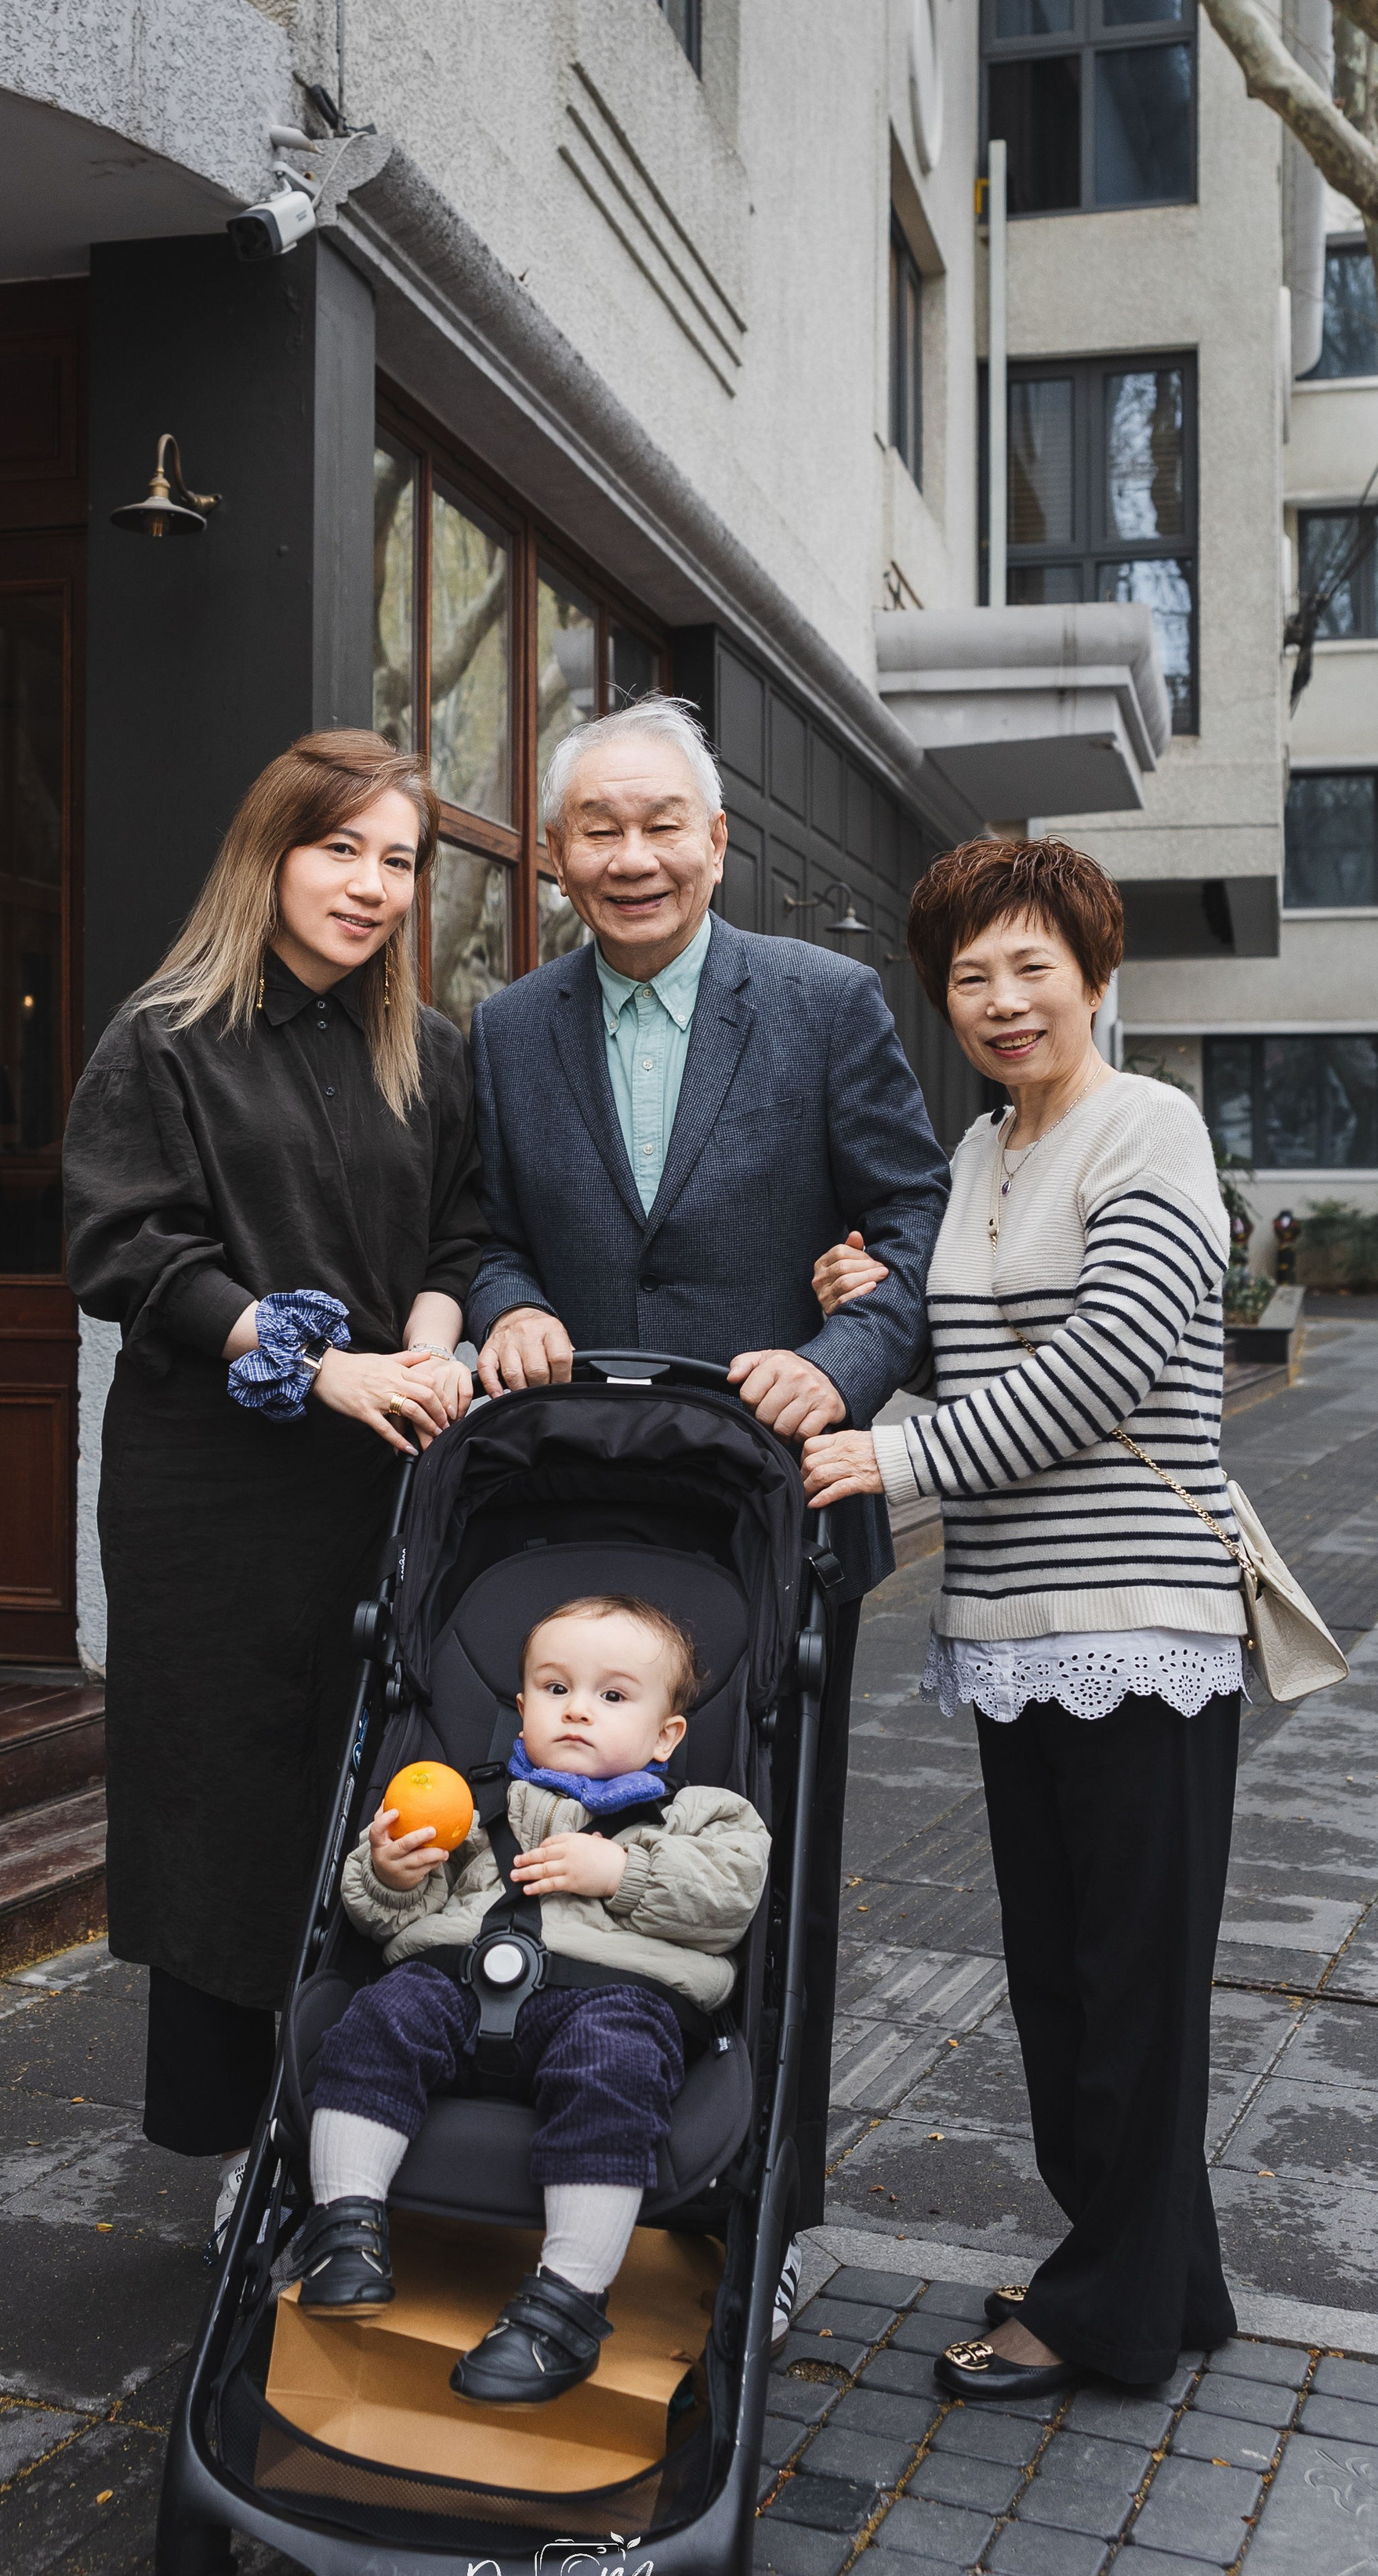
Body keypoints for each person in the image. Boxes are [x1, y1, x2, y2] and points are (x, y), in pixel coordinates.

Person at [462, 694, 950, 2339]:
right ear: (552, 857)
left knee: (767, 1873)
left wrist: (840, 1361)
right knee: (543, 1852)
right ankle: (561, 2171)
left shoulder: (821, 1006)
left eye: (659, 824)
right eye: (595, 829)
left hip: (766, 1523)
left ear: (716, 841)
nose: (630, 857)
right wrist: (508, 1301)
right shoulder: (506, 1028)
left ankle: (773, 2206)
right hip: (574, 1533)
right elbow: (476, 1228)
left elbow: (908, 1219)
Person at [803, 832, 1246, 2404]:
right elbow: (989, 1373)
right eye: (969, 975)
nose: (1000, 999)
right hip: (1013, 1628)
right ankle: (1161, 2275)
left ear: (1091, 972)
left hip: (1136, 1615)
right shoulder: (983, 1150)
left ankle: (1100, 2314)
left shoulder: (1148, 1128)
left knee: (1125, 1982)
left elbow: (1099, 1371)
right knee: (1065, 1979)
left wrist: (892, 1451)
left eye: (1028, 967)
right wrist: (884, 1309)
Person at [63, 731, 484, 2254]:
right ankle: (247, 2146)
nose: (371, 885)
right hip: (214, 1497)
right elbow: (126, 1250)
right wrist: (322, 1365)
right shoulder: (166, 1037)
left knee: (382, 1806)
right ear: (271, 853)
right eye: (341, 850)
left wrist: (427, 1352)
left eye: (398, 859)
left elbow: (458, 1241)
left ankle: (361, 2122)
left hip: (386, 1478)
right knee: (233, 1813)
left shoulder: (427, 1052)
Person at [295, 1596, 771, 2404]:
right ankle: (345, 2227)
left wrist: (624, 1873)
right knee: (374, 2016)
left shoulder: (704, 1813)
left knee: (615, 2066)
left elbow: (729, 1899)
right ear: (521, 1710)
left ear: (667, 1733)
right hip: (451, 1978)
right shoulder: (473, 1804)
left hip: (611, 1999)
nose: (578, 1706)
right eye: (554, 1687)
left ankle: (568, 2300)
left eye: (613, 1695)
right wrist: (390, 1870)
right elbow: (388, 1921)